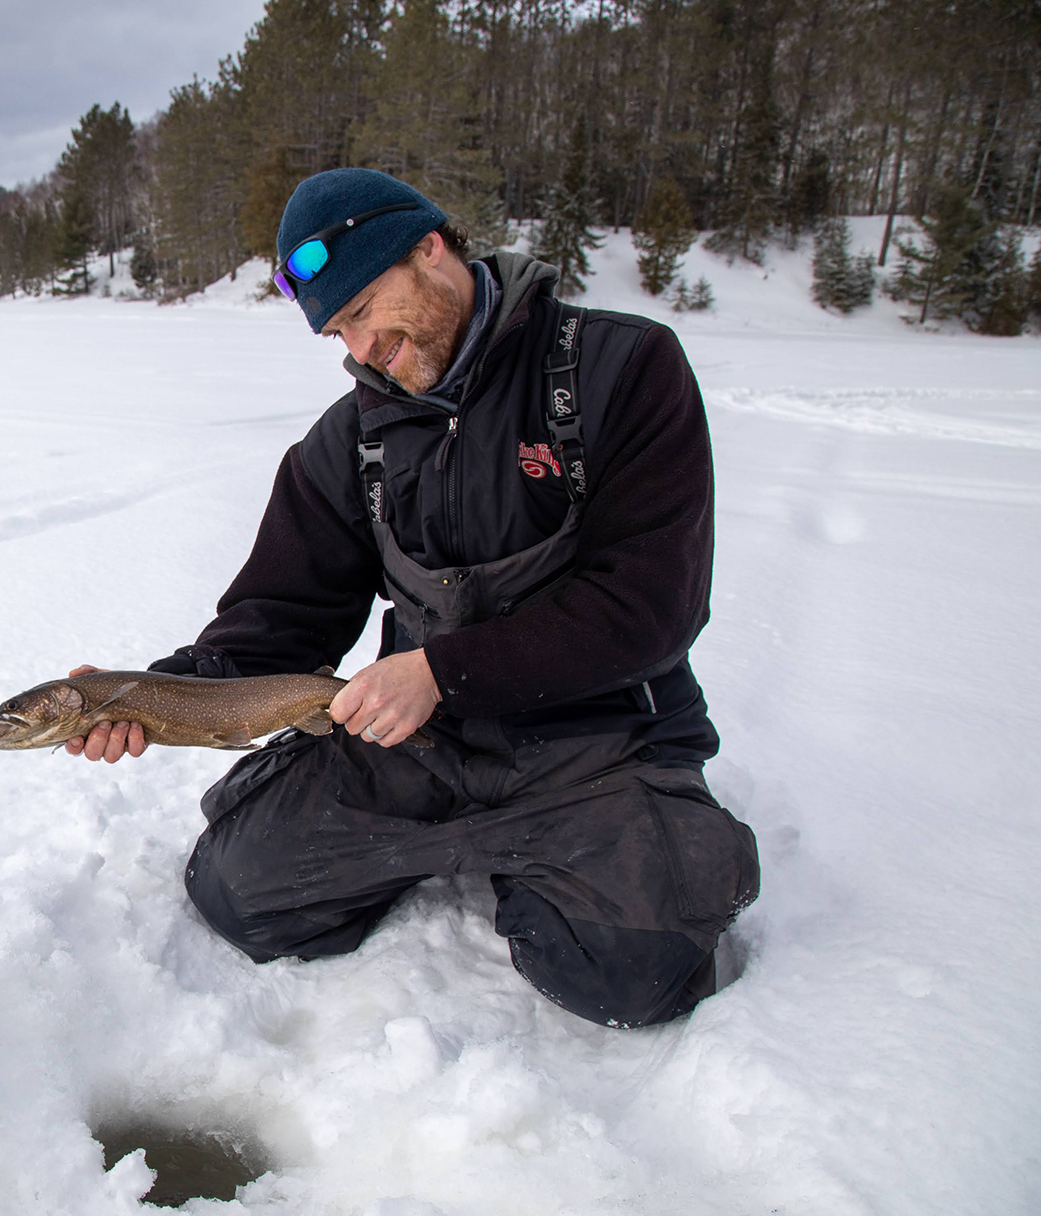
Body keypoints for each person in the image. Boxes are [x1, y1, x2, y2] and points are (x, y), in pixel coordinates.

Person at [66, 169, 759, 1029]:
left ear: (430, 247)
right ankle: (490, 843)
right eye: (337, 332)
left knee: (630, 973)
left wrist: (442, 670)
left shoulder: (623, 369)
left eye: (362, 309)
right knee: (238, 889)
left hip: (600, 739)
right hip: (420, 740)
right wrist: (145, 692)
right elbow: (279, 619)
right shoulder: (348, 442)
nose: (358, 347)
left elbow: (653, 604)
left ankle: (555, 846)